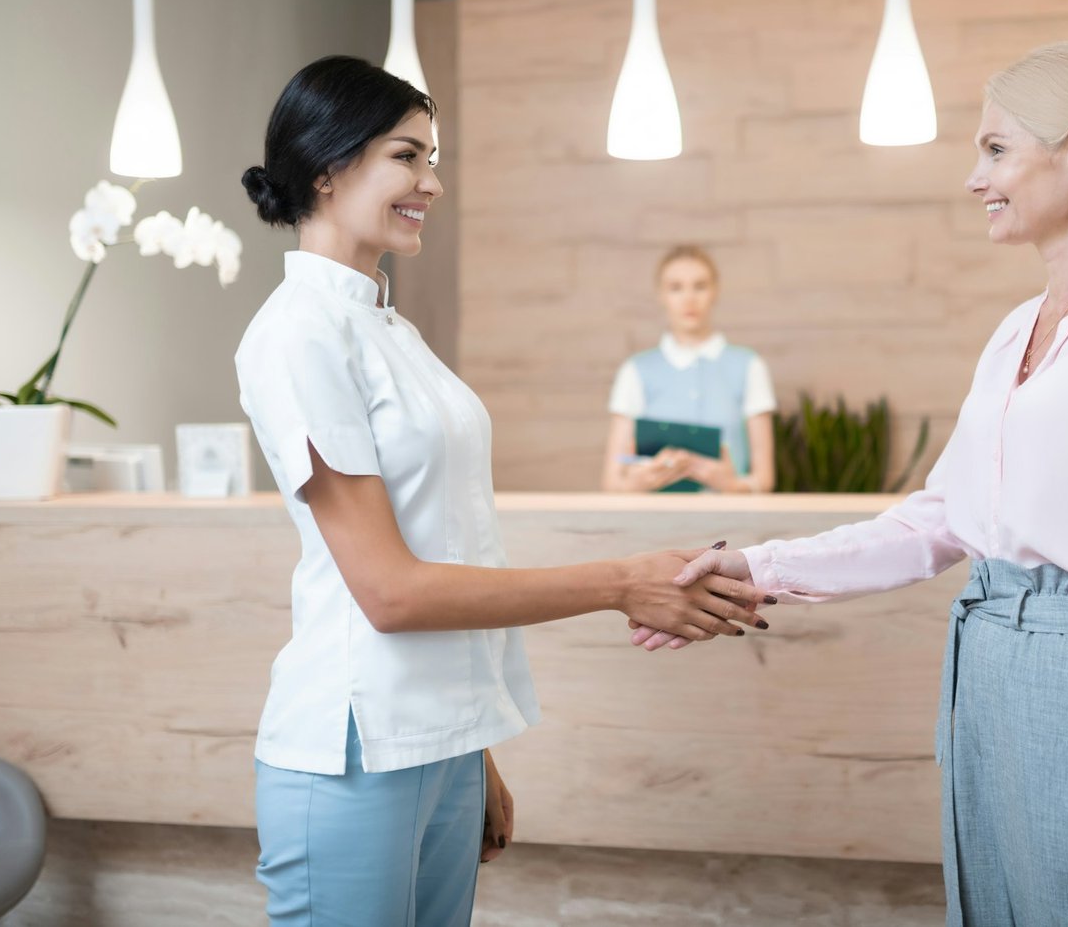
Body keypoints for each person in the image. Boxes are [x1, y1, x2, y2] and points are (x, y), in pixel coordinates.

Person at [634, 41, 1068, 927]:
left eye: (995, 149)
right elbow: (935, 522)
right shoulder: (1014, 331)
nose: (973, 178)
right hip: (983, 670)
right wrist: (756, 569)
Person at [235, 56, 771, 927]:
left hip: (436, 742)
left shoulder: (388, 326)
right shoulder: (298, 334)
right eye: (407, 157)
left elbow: (453, 543)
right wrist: (620, 583)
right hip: (354, 748)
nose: (432, 183)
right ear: (327, 168)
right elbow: (391, 590)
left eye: (432, 158)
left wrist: (470, 745)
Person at [601, 245, 777, 494]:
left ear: (715, 291)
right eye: (676, 288)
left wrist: (732, 485)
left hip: (730, 526)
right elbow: (612, 483)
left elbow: (765, 479)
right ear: (661, 295)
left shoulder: (749, 366)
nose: (689, 299)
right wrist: (639, 482)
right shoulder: (635, 371)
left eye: (700, 286)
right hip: (654, 525)